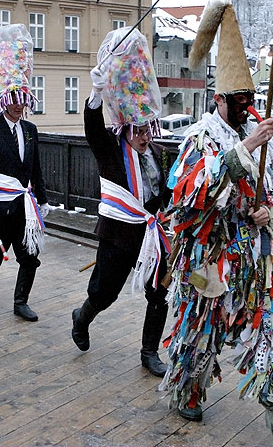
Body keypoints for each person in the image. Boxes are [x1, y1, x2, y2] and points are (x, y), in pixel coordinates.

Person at [160, 2, 273, 447]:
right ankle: (185, 390)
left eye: (251, 101)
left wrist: (267, 213)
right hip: (211, 260)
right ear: (219, 100)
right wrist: (245, 148)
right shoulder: (199, 138)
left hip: (254, 265)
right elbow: (190, 197)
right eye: (240, 101)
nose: (248, 108)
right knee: (199, 332)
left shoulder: (265, 144)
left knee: (271, 336)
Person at [70, 28, 171, 378]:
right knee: (103, 294)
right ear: (126, 128)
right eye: (138, 130)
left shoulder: (158, 152)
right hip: (117, 236)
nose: (144, 136)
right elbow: (93, 129)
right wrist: (97, 94)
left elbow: (164, 193)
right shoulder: (111, 151)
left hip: (151, 238)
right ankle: (82, 317)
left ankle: (149, 352)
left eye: (148, 129)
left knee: (160, 293)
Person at [0, 23, 50, 321]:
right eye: (13, 100)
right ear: (4, 99)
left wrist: (41, 198)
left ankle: (20, 302)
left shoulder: (30, 129)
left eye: (22, 100)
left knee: (30, 256)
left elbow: (35, 168)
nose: (19, 106)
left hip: (25, 206)